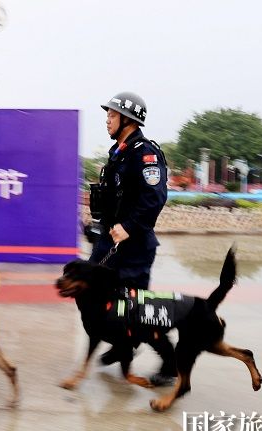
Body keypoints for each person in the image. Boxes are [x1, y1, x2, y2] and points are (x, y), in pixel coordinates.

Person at [88, 91, 176, 385]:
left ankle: (170, 362)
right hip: (110, 242)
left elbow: (155, 198)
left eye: (112, 115)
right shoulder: (119, 151)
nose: (107, 120)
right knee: (97, 295)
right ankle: (122, 344)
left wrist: (129, 226)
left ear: (128, 119)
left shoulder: (145, 153)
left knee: (137, 310)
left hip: (134, 246)